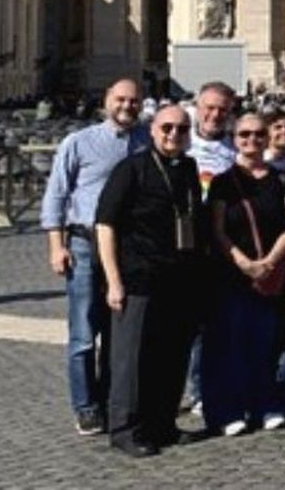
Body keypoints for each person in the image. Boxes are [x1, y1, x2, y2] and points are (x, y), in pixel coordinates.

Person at [95, 103, 207, 457]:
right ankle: (124, 427)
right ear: (153, 129)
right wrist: (113, 280)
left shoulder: (187, 167)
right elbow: (105, 225)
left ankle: (162, 423)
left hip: (179, 278)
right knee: (131, 357)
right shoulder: (131, 169)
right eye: (167, 128)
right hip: (138, 277)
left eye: (182, 129)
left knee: (170, 354)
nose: (174, 134)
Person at [40, 77, 147, 436]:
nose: (127, 106)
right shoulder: (78, 142)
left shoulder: (146, 141)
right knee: (84, 332)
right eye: (121, 100)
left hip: (128, 247)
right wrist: (57, 245)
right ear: (106, 101)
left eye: (133, 101)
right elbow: (56, 195)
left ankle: (110, 400)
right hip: (85, 244)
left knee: (119, 330)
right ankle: (85, 406)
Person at [202, 113, 285, 436]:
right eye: (244, 134)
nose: (252, 140)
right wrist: (244, 262)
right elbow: (217, 229)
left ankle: (266, 403)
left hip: (271, 273)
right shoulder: (222, 181)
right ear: (234, 138)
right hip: (233, 274)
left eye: (259, 134)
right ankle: (230, 409)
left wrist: (270, 261)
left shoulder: (283, 178)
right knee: (232, 343)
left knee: (267, 342)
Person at [188, 82, 237, 197]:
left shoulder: (239, 146)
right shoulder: (180, 141)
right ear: (197, 109)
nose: (215, 115)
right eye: (210, 108)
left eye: (223, 110)